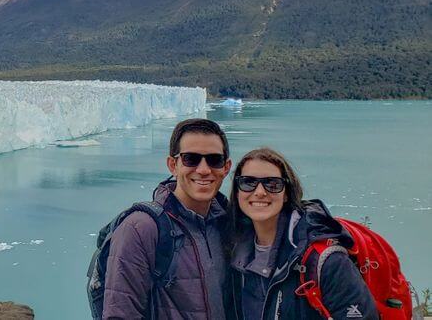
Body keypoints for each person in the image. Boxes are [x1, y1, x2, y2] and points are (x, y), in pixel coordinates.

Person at [102, 118, 232, 319]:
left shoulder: (229, 224)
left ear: (226, 167)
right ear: (173, 165)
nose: (204, 169)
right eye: (191, 159)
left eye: (214, 160)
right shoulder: (141, 229)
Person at [228, 147, 379, 319]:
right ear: (237, 191)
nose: (260, 192)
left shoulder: (325, 261)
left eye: (273, 184)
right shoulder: (233, 252)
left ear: (286, 194)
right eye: (248, 182)